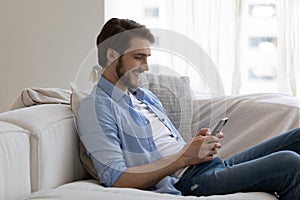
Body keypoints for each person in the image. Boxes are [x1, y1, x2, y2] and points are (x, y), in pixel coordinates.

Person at [77, 18, 300, 199]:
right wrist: (184, 158)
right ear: (112, 55)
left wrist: (196, 148)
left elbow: (169, 148)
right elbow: (116, 178)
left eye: (147, 58)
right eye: (138, 58)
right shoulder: (96, 108)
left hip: (205, 166)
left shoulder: (145, 97)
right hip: (188, 182)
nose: (146, 67)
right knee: (288, 163)